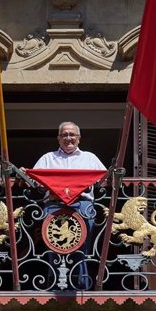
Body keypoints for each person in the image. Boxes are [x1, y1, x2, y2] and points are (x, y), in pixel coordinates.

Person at [32, 121, 106, 290]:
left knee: (83, 249)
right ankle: (55, 285)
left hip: (83, 206)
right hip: (54, 206)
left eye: (72, 134)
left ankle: (82, 285)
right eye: (64, 135)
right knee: (54, 247)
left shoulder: (90, 158)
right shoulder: (47, 158)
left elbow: (103, 181)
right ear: (58, 138)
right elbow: (36, 183)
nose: (68, 138)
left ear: (79, 138)